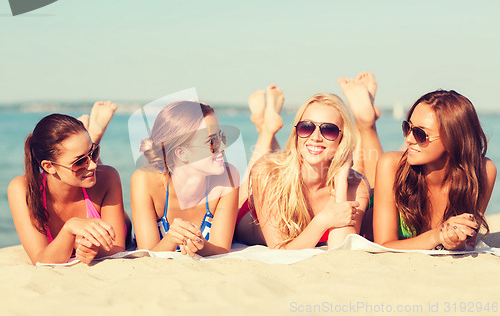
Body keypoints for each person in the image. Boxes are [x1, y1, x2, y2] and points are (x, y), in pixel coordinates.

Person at [235, 86, 370, 249]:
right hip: (248, 213)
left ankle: (265, 126)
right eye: (306, 127)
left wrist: (341, 182)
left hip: (288, 170)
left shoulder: (356, 186)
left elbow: (342, 249)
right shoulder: (268, 173)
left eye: (329, 130)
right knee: (265, 167)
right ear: (296, 132)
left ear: (342, 138)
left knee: (279, 162)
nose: (315, 137)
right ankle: (266, 130)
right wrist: (323, 220)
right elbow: (280, 250)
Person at [373, 90, 497, 250]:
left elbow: (468, 243)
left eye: (420, 133)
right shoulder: (390, 165)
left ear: (452, 140)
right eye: (407, 127)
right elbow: (383, 245)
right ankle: (366, 124)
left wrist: (456, 242)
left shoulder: (483, 171)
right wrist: (437, 235)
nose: (408, 139)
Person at [8, 102, 127, 264]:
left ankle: (91, 140)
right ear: (49, 166)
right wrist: (70, 228)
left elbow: (118, 248)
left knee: (125, 220)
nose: (92, 164)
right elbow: (41, 260)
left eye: (94, 153)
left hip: (112, 211)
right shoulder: (22, 189)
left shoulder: (107, 176)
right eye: (79, 161)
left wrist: (91, 248)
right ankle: (91, 138)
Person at [131, 100, 239, 257]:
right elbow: (147, 253)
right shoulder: (145, 181)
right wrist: (172, 237)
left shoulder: (228, 177)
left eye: (221, 137)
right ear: (182, 153)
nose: (223, 147)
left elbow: (221, 248)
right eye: (212, 141)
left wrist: (200, 245)